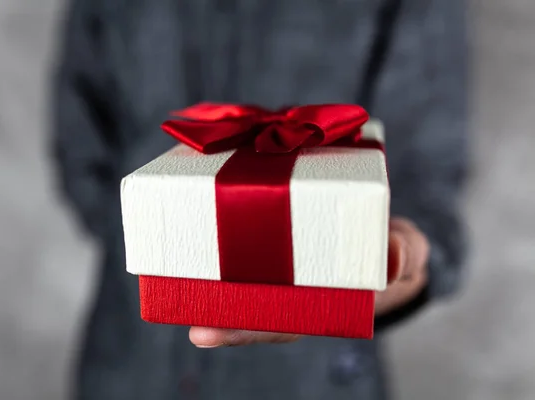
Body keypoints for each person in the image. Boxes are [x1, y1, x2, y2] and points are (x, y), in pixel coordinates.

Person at [50, 1, 469, 399]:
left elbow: (426, 178)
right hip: (127, 365)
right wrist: (155, 242)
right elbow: (79, 138)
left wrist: (389, 267)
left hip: (314, 380)